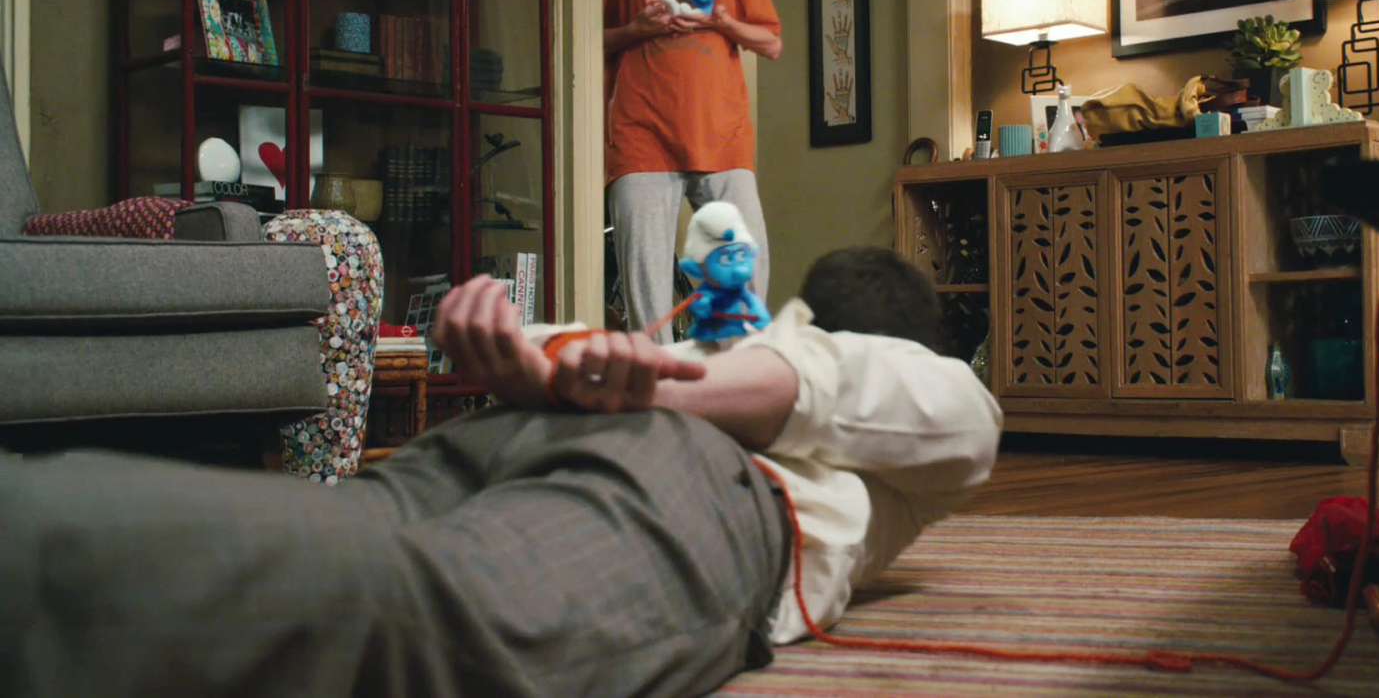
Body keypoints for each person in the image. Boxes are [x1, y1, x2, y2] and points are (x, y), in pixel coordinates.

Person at [0, 247, 1001, 698]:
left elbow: (942, 407)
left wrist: (629, 387)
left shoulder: (882, 385)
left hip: (582, 449)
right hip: (634, 467)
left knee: (364, 578)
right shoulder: (733, 362)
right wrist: (521, 356)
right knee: (399, 598)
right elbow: (569, 353)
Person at [604, 0, 782, 344]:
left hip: (721, 133)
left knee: (747, 276)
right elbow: (583, 42)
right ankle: (659, 389)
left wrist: (722, 21)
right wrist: (637, 29)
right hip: (641, 134)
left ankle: (730, 380)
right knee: (647, 296)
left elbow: (771, 42)